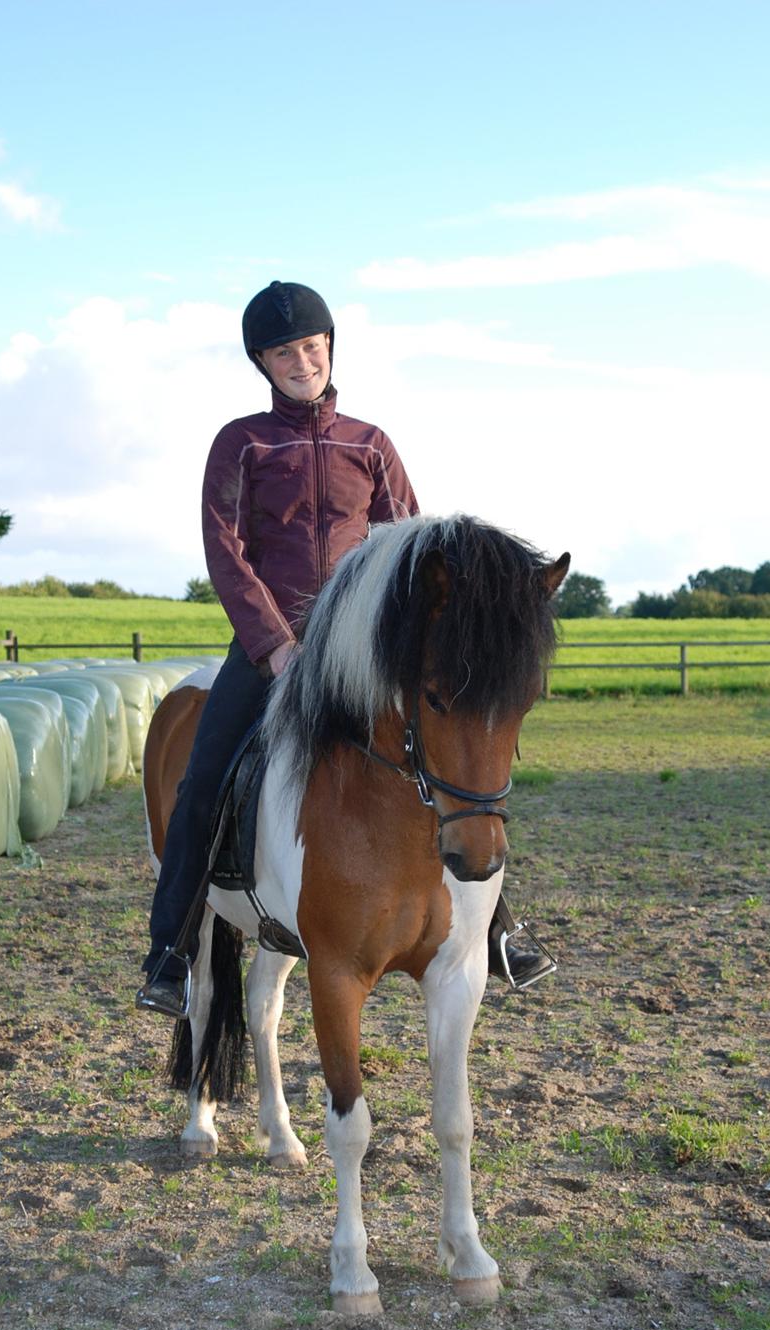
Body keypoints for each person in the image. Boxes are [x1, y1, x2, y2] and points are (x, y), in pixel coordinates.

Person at [137, 280, 554, 1018]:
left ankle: (497, 925)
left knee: (448, 761)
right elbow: (226, 553)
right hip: (273, 650)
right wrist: (273, 647)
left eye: (311, 346)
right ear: (261, 363)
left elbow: (418, 552)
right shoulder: (242, 443)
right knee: (202, 779)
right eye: (283, 352)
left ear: (329, 347)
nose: (302, 361)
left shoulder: (372, 444)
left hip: (361, 653)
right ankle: (170, 950)